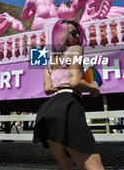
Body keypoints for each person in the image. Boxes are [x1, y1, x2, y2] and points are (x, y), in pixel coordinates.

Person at [33, 19, 105, 170]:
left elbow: (48, 88)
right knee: (95, 167)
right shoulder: (76, 49)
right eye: (73, 33)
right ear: (63, 36)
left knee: (65, 167)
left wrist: (63, 82)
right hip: (69, 106)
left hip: (48, 111)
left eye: (78, 32)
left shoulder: (50, 60)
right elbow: (74, 83)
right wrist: (93, 87)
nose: (78, 35)